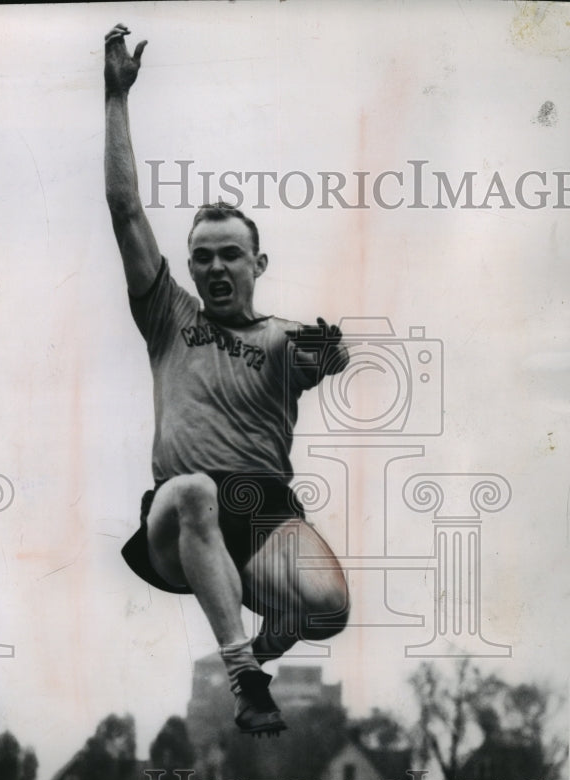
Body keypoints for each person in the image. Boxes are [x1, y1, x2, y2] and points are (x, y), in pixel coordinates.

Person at [105, 24, 350, 737]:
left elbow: (317, 359)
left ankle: (255, 657)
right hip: (177, 518)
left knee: (328, 608)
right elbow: (124, 210)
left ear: (257, 264)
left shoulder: (279, 336)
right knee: (193, 490)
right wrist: (116, 97)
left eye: (229, 256)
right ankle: (244, 674)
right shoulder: (166, 313)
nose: (214, 268)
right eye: (202, 256)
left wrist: (328, 359)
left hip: (263, 509)